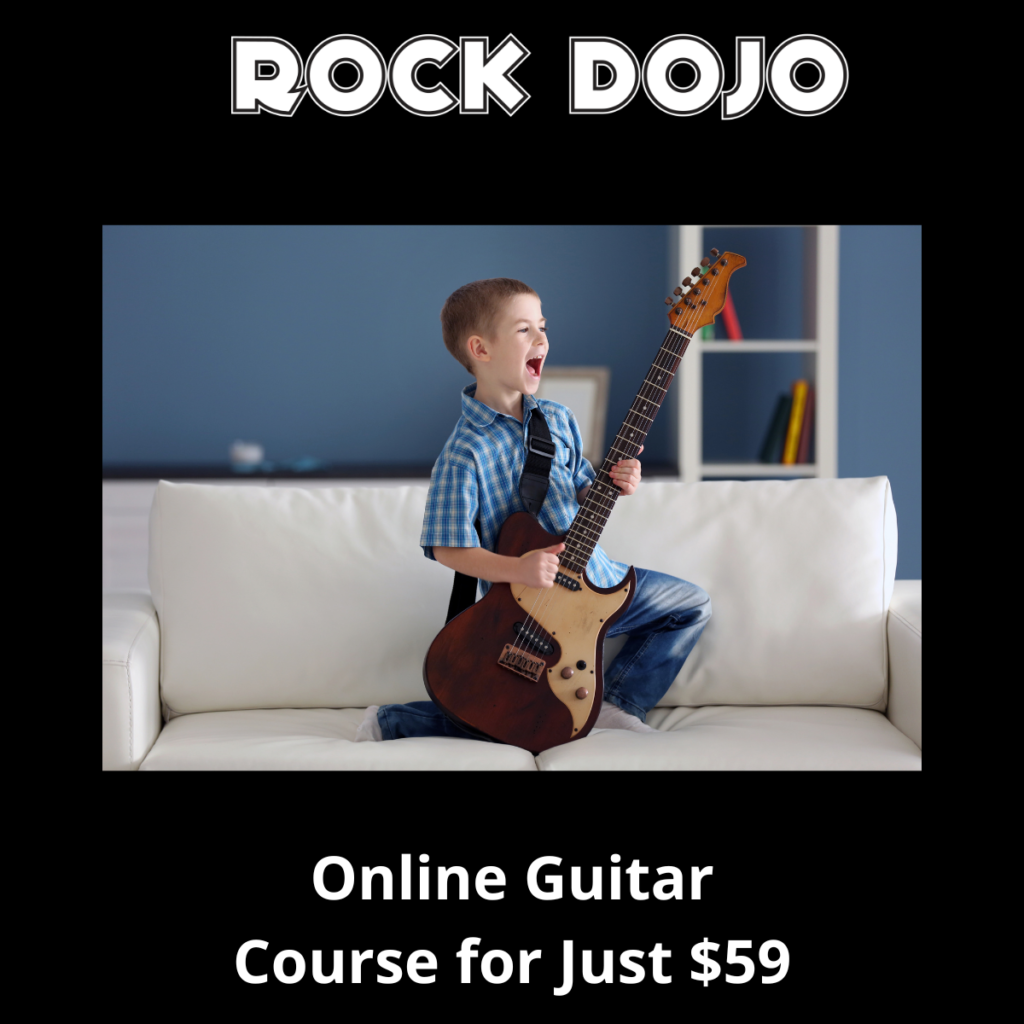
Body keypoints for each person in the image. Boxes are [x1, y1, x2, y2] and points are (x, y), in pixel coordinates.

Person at [355, 277, 710, 743]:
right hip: (526, 613)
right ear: (480, 349)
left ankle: (618, 703)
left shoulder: (558, 419)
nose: (542, 339)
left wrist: (616, 482)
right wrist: (517, 568)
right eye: (524, 330)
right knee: (518, 715)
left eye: (543, 326)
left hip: (598, 582)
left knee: (690, 606)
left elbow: (583, 487)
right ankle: (396, 721)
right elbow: (447, 548)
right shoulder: (464, 453)